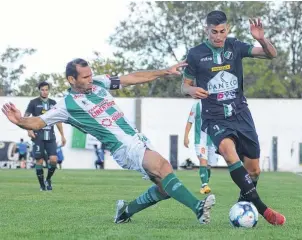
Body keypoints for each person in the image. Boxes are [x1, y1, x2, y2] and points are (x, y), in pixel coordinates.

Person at [2, 58, 215, 225]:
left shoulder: (98, 83)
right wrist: (19, 120)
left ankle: (125, 212)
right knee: (164, 167)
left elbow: (129, 78)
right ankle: (198, 208)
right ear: (71, 80)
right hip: (123, 147)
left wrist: (165, 71)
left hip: (137, 138)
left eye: (90, 74)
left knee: (166, 188)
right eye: (84, 77)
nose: (89, 79)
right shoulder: (66, 105)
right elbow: (38, 122)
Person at [181, 10, 285, 225]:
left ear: (227, 29)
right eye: (213, 32)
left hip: (240, 114)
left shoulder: (235, 46)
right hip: (214, 116)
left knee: (254, 170)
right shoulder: (195, 54)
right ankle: (264, 210)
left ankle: (243, 204)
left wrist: (262, 39)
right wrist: (190, 91)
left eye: (221, 31)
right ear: (205, 30)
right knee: (229, 153)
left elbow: (271, 54)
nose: (218, 36)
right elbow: (184, 85)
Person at [24, 81, 67, 191]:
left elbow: (58, 120)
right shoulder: (33, 102)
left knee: (53, 159)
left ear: (49, 90)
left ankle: (48, 179)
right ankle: (42, 185)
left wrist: (62, 135)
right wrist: (29, 130)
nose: (45, 92)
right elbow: (26, 117)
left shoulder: (53, 103)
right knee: (39, 161)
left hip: (50, 136)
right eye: (42, 90)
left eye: (46, 89)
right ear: (39, 90)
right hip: (37, 135)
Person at [184, 100, 217, 194]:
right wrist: (186, 137)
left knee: (209, 165)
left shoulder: (216, 104)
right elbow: (190, 121)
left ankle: (206, 183)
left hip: (212, 140)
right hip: (200, 140)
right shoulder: (197, 106)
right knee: (203, 160)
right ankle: (204, 185)